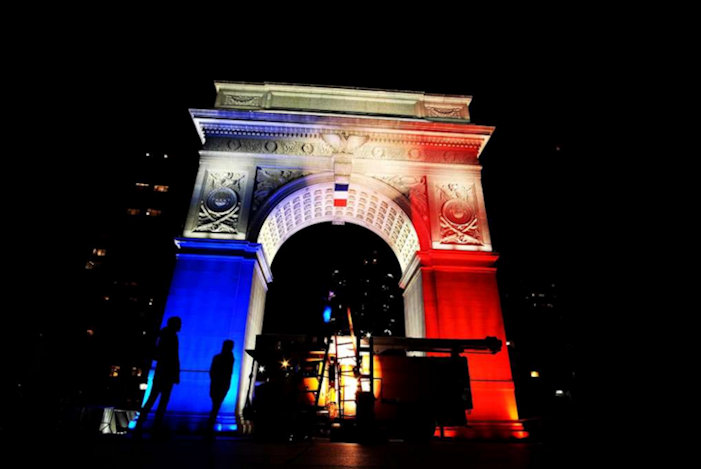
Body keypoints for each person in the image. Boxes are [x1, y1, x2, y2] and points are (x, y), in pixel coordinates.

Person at [134, 316, 181, 435]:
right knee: (160, 401)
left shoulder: (164, 334)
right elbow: (173, 357)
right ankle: (153, 426)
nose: (180, 326)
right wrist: (175, 373)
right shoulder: (169, 336)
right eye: (179, 323)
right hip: (166, 372)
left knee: (153, 398)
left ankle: (142, 423)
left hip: (162, 371)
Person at [206, 339, 234, 436]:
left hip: (216, 384)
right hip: (222, 385)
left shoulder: (217, 357)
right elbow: (228, 374)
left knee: (215, 407)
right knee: (215, 408)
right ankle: (209, 428)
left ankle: (209, 427)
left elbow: (212, 372)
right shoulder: (230, 359)